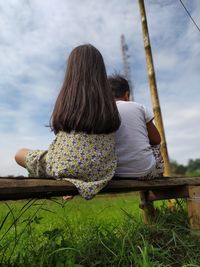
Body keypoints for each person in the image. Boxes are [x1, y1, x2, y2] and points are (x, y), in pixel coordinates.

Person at [15, 44, 121, 199]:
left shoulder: (68, 99)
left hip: (63, 165)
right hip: (100, 170)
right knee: (67, 163)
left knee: (19, 153)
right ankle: (72, 181)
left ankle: (68, 179)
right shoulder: (109, 104)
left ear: (72, 70)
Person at [108, 75, 164, 180]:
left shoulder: (103, 112)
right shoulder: (139, 107)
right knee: (156, 148)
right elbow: (156, 139)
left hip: (113, 174)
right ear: (127, 94)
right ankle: (159, 176)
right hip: (145, 172)